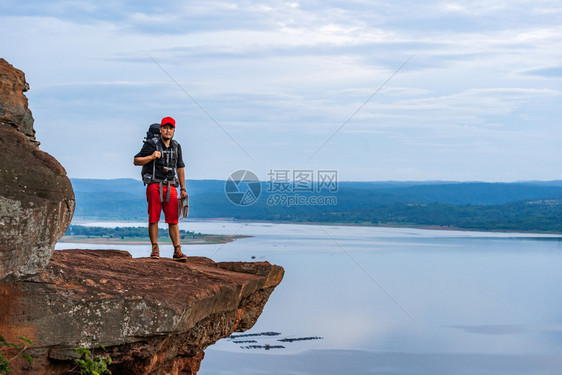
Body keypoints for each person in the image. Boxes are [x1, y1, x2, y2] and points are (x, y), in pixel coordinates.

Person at [134, 116, 188, 261]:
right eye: (165, 128)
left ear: (174, 130)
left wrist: (183, 188)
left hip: (171, 185)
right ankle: (155, 248)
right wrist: (152, 156)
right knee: (153, 218)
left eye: (170, 128)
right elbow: (136, 160)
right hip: (154, 184)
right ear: (161, 129)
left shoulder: (176, 146)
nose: (168, 130)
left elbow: (180, 167)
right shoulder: (152, 144)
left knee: (173, 220)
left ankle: (177, 250)